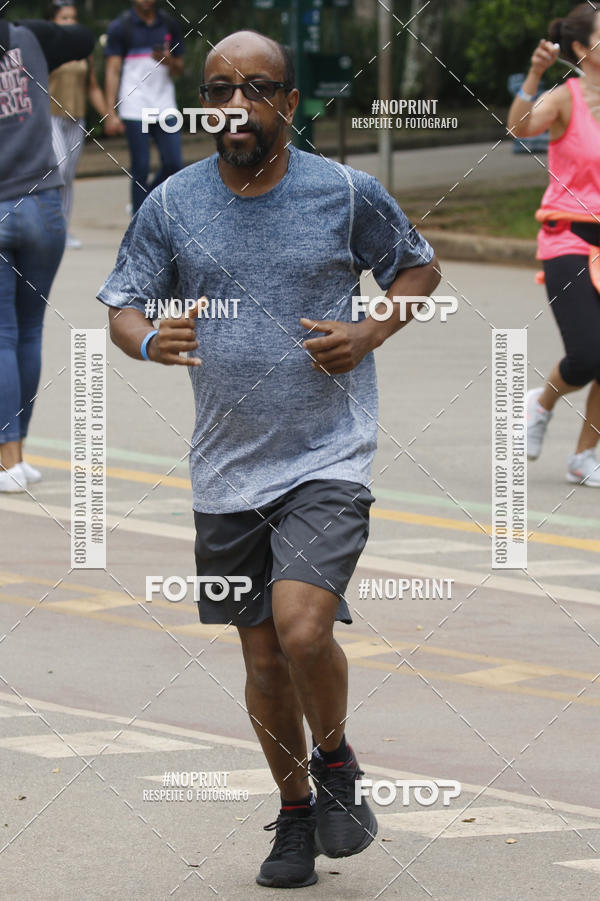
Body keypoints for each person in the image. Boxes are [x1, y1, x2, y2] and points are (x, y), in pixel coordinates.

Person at [98, 30, 440, 888]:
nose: (236, 106)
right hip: (225, 467)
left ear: (290, 102)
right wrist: (148, 342)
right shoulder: (173, 202)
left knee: (302, 627)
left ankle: (336, 762)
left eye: (256, 89)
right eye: (220, 89)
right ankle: (296, 815)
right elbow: (123, 306)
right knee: (259, 660)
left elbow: (418, 271)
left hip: (328, 455)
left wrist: (370, 329)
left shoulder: (345, 192)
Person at [0, 13, 94, 493]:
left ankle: (7, 460)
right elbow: (82, 37)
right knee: (28, 333)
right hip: (43, 205)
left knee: (1, 334)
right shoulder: (30, 39)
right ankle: (20, 456)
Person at [508, 2, 600, 487]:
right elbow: (520, 128)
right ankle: (539, 404)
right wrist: (534, 74)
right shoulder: (566, 98)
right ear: (584, 48)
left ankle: (584, 457)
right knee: (587, 356)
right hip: (567, 237)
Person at [103, 0, 185, 214]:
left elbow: (179, 69)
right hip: (134, 106)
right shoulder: (120, 27)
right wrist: (110, 112)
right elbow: (112, 70)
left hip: (165, 105)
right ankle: (140, 221)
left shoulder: (169, 24)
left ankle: (144, 202)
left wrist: (169, 61)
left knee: (174, 163)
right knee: (140, 166)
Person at [47, 1, 109, 249]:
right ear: (52, 21)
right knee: (59, 169)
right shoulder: (43, 47)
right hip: (49, 116)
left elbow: (91, 85)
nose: (70, 22)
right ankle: (47, 225)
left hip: (76, 118)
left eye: (73, 18)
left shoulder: (82, 48)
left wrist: (109, 116)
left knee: (68, 176)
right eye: (64, 18)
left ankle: (62, 231)